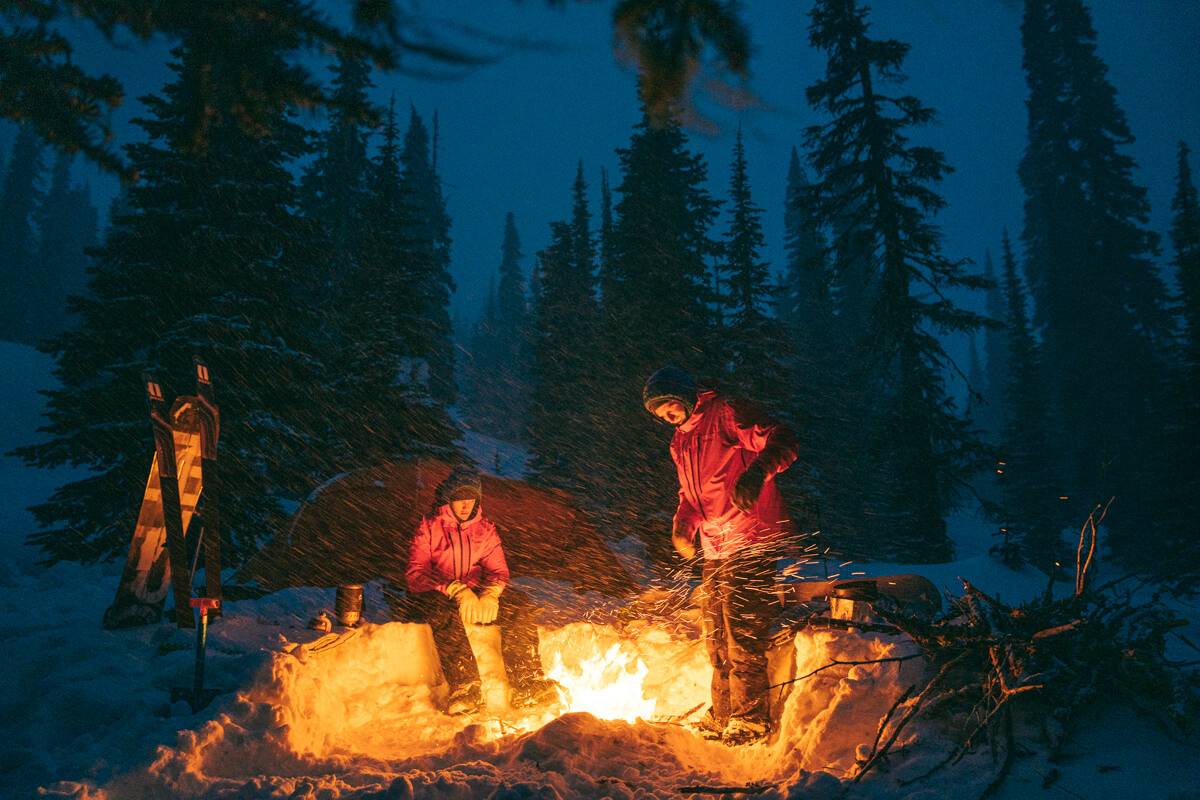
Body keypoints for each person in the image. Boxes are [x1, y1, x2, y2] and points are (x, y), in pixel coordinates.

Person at [642, 366, 799, 745]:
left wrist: (757, 472)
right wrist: (683, 524)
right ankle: (725, 713)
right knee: (715, 636)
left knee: (742, 631)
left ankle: (750, 719)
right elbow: (691, 496)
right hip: (715, 547)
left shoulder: (725, 413)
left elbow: (784, 439)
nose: (666, 415)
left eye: (669, 405)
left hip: (751, 537)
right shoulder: (679, 442)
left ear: (684, 394)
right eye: (659, 412)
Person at [397, 466, 558, 715]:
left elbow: (498, 570)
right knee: (444, 612)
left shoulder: (484, 529)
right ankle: (466, 688)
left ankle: (528, 681)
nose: (465, 505)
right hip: (434, 594)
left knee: (519, 604)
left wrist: (491, 593)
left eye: (470, 498)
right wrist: (454, 589)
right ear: (448, 499)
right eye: (459, 498)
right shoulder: (429, 527)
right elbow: (415, 574)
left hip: (475, 593)